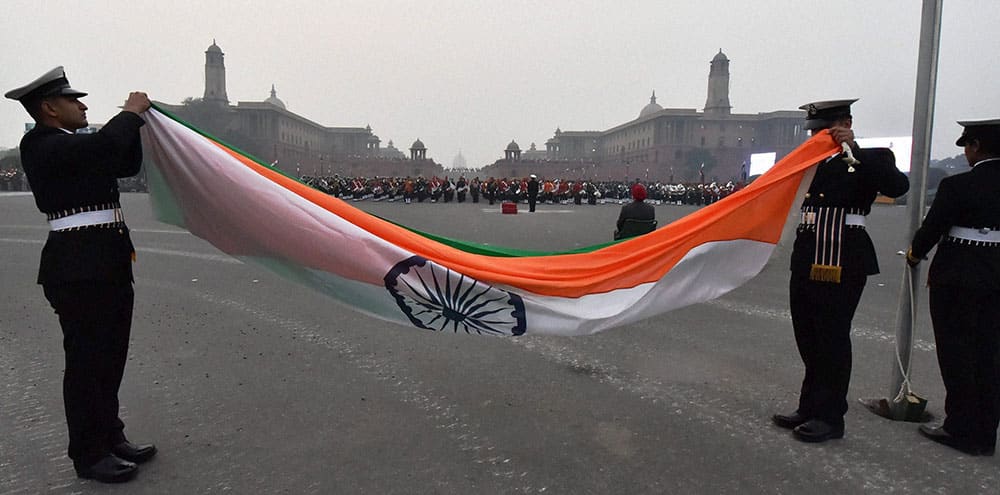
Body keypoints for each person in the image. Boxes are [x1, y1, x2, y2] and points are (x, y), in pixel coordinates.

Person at [5, 67, 156, 482]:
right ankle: (88, 454)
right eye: (74, 100)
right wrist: (128, 112)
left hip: (105, 263)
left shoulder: (75, 146)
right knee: (88, 362)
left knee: (110, 358)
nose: (83, 105)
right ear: (49, 108)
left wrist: (140, 124)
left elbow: (121, 160)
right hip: (76, 269)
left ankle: (111, 435)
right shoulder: (40, 144)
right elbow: (106, 148)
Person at [772, 99, 909, 443]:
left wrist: (852, 145)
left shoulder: (870, 158)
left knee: (831, 337)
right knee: (808, 335)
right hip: (806, 255)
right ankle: (810, 406)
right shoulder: (809, 162)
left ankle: (831, 417)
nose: (817, 136)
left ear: (845, 122)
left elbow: (897, 186)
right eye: (814, 130)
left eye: (824, 129)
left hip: (843, 257)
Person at [906, 119, 1000, 456]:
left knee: (957, 352)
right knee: (990, 355)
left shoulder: (958, 185)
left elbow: (933, 228)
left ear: (975, 146)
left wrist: (915, 254)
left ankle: (960, 426)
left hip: (959, 275)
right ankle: (986, 432)